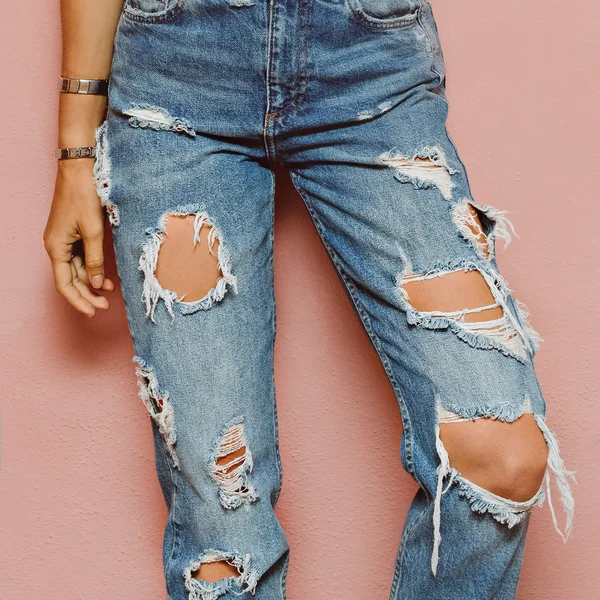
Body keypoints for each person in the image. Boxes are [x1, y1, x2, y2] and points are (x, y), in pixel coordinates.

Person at [44, 1, 575, 598]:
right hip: (176, 71)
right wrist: (75, 151)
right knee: (224, 531)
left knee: (500, 452)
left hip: (371, 64)